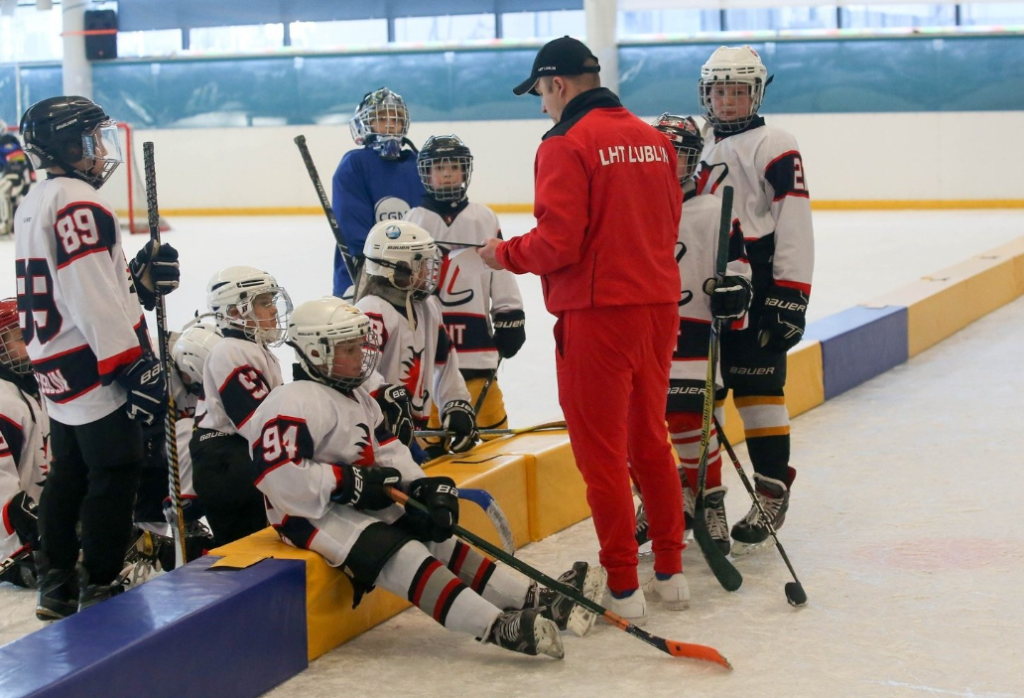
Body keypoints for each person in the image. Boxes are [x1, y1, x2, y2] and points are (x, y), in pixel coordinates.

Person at [248, 297, 605, 658]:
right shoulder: (291, 402)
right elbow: (280, 478)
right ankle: (496, 626)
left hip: (351, 501)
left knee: (437, 537)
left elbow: (389, 452)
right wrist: (347, 482)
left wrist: (421, 486)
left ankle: (533, 598)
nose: (361, 357)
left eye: (359, 346)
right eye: (349, 349)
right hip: (308, 515)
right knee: (402, 553)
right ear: (315, 352)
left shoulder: (357, 396)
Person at [480, 36, 686, 623]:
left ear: (558, 84)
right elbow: (669, 220)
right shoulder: (653, 139)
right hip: (658, 308)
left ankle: (623, 585)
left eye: (541, 94)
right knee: (650, 440)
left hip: (598, 316)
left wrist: (503, 254)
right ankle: (671, 573)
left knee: (602, 455)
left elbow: (557, 243)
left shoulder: (565, 143)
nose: (543, 106)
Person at [14, 96, 180, 617]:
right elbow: (87, 291)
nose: (101, 151)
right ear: (68, 146)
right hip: (93, 360)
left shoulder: (37, 197)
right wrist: (129, 362)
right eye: (92, 141)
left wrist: (137, 284)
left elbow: (79, 285)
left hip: (54, 360)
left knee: (69, 471)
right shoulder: (79, 202)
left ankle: (57, 583)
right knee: (116, 468)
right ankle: (101, 582)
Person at [695, 46, 814, 555]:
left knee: (758, 387)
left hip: (759, 279)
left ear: (757, 93)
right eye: (718, 90)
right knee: (701, 391)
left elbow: (794, 217)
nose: (726, 100)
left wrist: (791, 293)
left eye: (738, 91)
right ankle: (705, 498)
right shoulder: (695, 141)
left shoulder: (775, 142)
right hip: (701, 279)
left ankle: (771, 488)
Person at [634, 114, 752, 556]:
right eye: (661, 154)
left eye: (679, 156)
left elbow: (739, 268)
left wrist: (735, 291)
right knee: (632, 426)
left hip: (693, 330)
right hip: (640, 329)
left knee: (687, 420)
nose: (669, 164)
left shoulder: (714, 209)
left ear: (693, 159)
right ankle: (659, 500)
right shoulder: (628, 205)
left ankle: (708, 499)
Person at [405, 134, 526, 437]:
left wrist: (509, 312)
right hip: (429, 350)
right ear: (426, 173)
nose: (447, 174)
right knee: (431, 439)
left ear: (465, 171)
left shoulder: (483, 217)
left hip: (477, 347)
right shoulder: (412, 221)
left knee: (493, 437)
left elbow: (499, 267)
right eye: (439, 167)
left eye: (454, 167)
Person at [355, 220, 480, 458]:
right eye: (420, 264)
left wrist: (455, 403)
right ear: (397, 268)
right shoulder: (371, 310)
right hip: (377, 436)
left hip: (410, 433)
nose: (428, 271)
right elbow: (362, 374)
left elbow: (445, 362)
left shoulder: (428, 307)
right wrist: (387, 404)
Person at [190, 266, 291, 548]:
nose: (273, 309)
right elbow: (257, 424)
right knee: (247, 553)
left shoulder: (252, 349)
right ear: (235, 312)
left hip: (232, 456)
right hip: (224, 461)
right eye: (264, 303)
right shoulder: (230, 351)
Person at [132, 318, 221, 571]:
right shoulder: (152, 370)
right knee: (184, 432)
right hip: (142, 442)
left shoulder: (210, 360)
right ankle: (179, 515)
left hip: (169, 447)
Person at [332, 87, 426, 297]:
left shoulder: (418, 164)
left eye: (396, 119)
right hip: (363, 275)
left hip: (415, 276)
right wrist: (387, 265)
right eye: (382, 118)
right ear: (365, 124)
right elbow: (352, 228)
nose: (390, 124)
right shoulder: (354, 164)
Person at [0, 298, 48, 589]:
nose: (32, 342)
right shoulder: (3, 401)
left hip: (39, 529)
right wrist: (13, 549)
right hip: (12, 545)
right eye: (20, 337)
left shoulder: (37, 388)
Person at [0, 119, 35, 238]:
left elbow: (18, 164)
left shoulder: (8, 141)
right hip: (13, 177)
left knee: (3, 192)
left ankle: (5, 224)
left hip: (15, 176)